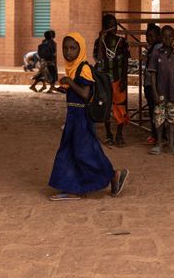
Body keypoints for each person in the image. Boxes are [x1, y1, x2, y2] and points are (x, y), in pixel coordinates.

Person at [48, 32, 130, 201]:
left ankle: (112, 175)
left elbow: (85, 94)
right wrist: (67, 87)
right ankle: (73, 188)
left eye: (73, 48)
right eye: (65, 48)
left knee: (84, 152)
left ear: (81, 48)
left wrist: (70, 83)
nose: (68, 52)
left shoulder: (83, 68)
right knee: (70, 151)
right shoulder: (72, 67)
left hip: (81, 117)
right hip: (73, 116)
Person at [148, 25, 174, 156]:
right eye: (164, 36)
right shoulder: (156, 54)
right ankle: (159, 144)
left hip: (173, 92)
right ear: (161, 38)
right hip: (160, 93)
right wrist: (154, 92)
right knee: (159, 119)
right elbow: (153, 75)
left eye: (170, 36)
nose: (167, 39)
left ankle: (171, 144)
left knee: (173, 119)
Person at [94, 14, 130, 147]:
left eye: (114, 24)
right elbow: (97, 59)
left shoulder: (122, 41)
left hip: (118, 79)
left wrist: (125, 80)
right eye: (109, 25)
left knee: (120, 106)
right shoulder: (99, 42)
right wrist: (100, 37)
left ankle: (119, 134)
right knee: (106, 106)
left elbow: (126, 61)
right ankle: (108, 134)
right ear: (105, 27)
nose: (112, 27)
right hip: (104, 80)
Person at [143, 25, 163, 144]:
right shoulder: (152, 48)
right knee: (153, 111)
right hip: (149, 84)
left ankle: (157, 136)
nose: (148, 38)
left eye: (151, 36)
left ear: (158, 36)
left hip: (154, 85)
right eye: (147, 36)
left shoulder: (158, 48)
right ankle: (155, 134)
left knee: (156, 111)